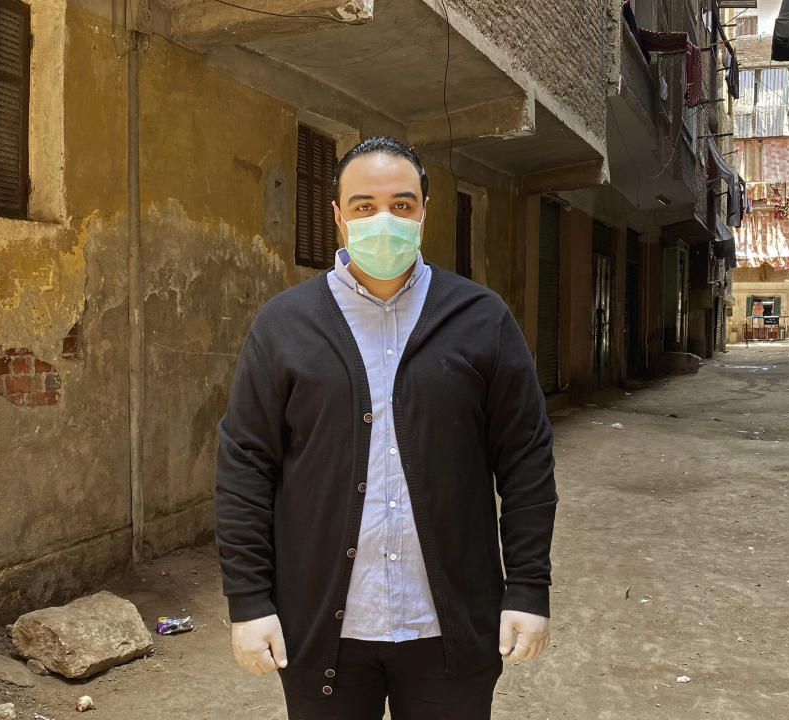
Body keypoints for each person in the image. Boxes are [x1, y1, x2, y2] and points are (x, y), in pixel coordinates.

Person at [214, 136, 558, 720]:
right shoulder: (284, 326)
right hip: (322, 626)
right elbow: (245, 466)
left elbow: (526, 461)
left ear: (425, 209)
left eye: (401, 205)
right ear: (338, 218)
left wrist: (528, 587)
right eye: (364, 205)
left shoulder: (481, 319)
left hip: (448, 626)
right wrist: (249, 601)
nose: (383, 220)